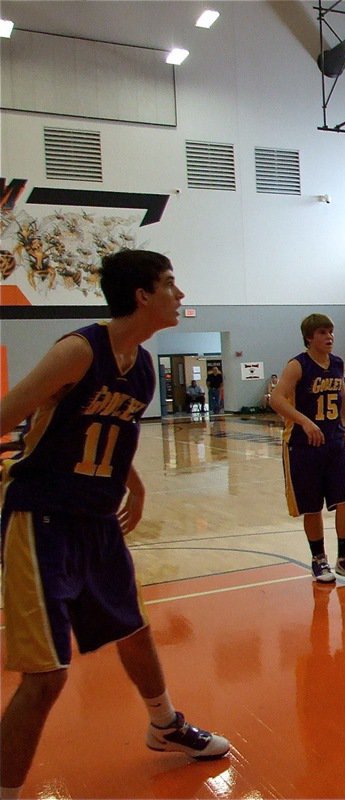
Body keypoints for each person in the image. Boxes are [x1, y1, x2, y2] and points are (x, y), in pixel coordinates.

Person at [0, 250, 230, 798]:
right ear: (142, 295)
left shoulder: (144, 366)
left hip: (97, 520)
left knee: (135, 629)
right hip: (44, 516)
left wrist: (135, 481)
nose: (180, 294)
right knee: (48, 674)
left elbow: (105, 427)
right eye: (170, 285)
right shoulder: (79, 350)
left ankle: (163, 725)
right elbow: (9, 414)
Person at [270, 314, 345, 585]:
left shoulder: (337, 364)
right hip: (303, 446)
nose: (329, 337)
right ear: (309, 338)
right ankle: (318, 559)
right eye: (322, 333)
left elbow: (343, 398)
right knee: (312, 506)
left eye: (331, 332)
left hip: (335, 443)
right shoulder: (297, 365)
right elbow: (276, 400)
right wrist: (303, 421)